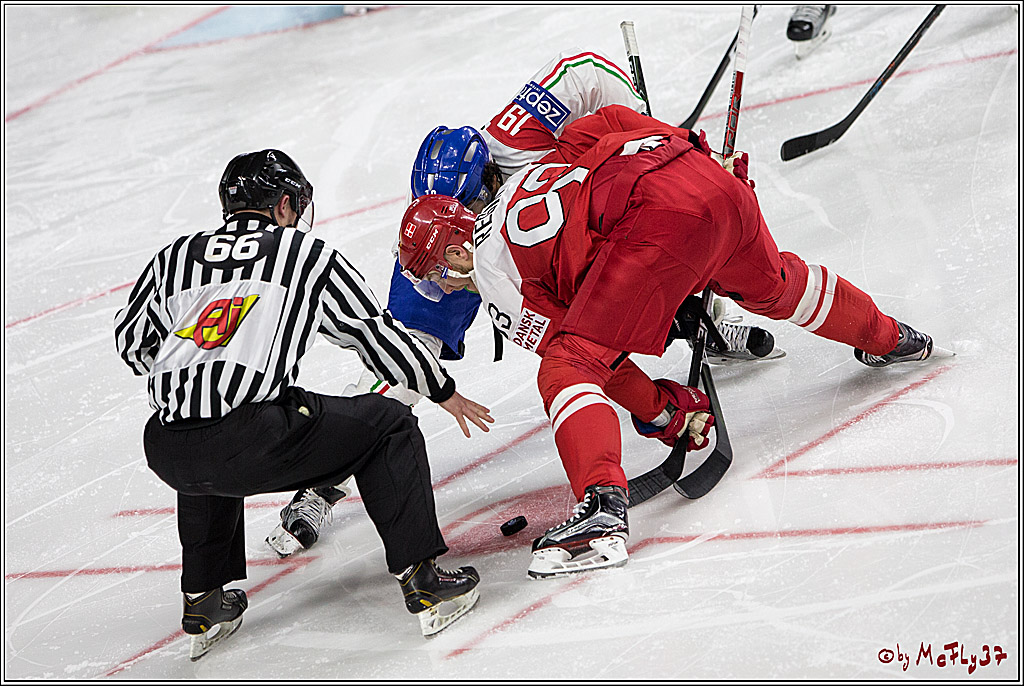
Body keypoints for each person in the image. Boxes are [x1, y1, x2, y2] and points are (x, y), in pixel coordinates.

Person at [266, 49, 780, 557]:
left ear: (489, 174)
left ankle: (716, 316)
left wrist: (659, 135)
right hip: (486, 269)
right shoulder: (435, 247)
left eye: (467, 202)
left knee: (673, 223)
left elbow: (585, 70)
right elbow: (401, 359)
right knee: (411, 361)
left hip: (582, 234)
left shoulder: (519, 133)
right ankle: (322, 487)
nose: (460, 212)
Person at [396, 104, 938, 578]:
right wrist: (702, 154)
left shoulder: (492, 273)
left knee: (563, 369)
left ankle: (602, 512)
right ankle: (892, 337)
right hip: (705, 178)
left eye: (434, 275)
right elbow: (616, 124)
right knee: (776, 285)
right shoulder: (541, 159)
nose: (442, 288)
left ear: (456, 252)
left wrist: (666, 413)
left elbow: (591, 360)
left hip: (657, 229)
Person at [113, 149, 493, 659]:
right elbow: (374, 337)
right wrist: (442, 390)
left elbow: (132, 345)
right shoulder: (305, 254)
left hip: (166, 449)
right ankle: (424, 580)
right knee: (389, 424)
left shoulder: (175, 256)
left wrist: (203, 360)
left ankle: (203, 601)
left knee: (198, 417)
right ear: (286, 205)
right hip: (254, 440)